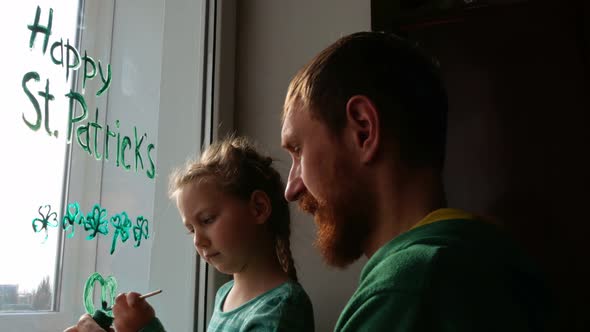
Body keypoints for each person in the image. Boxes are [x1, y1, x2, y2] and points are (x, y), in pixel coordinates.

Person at [280, 31, 553, 331]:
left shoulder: (405, 292)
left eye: (297, 150)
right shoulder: (493, 260)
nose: (291, 189)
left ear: (363, 130)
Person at [65, 136, 314, 332]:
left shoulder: (282, 308)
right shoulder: (225, 295)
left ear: (258, 208)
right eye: (191, 230)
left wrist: (144, 329)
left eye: (207, 220)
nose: (198, 240)